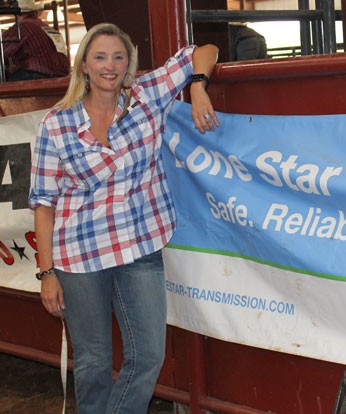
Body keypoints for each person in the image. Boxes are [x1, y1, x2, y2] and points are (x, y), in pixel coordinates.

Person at [29, 22, 219, 413]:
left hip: (138, 249)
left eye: (119, 57)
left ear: (129, 63)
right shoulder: (57, 124)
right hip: (80, 258)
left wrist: (197, 85)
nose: (110, 66)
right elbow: (43, 204)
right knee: (94, 362)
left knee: (148, 355)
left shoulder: (147, 97)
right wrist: (47, 274)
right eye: (100, 57)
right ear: (84, 65)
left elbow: (205, 50)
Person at [2, 0, 70, 81]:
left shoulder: (23, 27)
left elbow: (1, 50)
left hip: (36, 75)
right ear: (35, 12)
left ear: (16, 13)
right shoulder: (46, 27)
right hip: (62, 77)